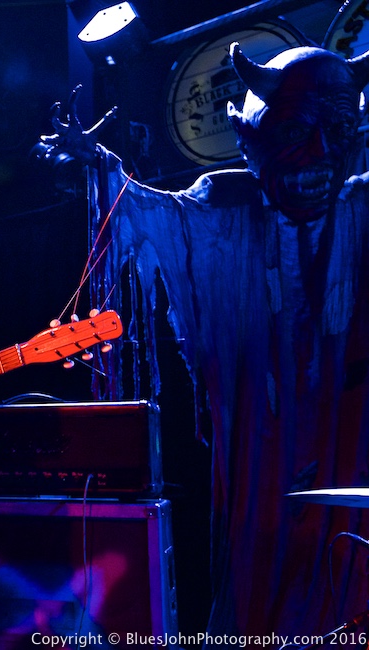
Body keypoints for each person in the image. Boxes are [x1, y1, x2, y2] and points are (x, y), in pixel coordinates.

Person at [40, 44, 369, 643]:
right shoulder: (224, 205)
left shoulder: (364, 206)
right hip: (262, 461)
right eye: (293, 131)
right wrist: (99, 166)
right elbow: (146, 209)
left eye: (342, 129)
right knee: (264, 586)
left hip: (353, 452)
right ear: (247, 138)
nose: (320, 153)